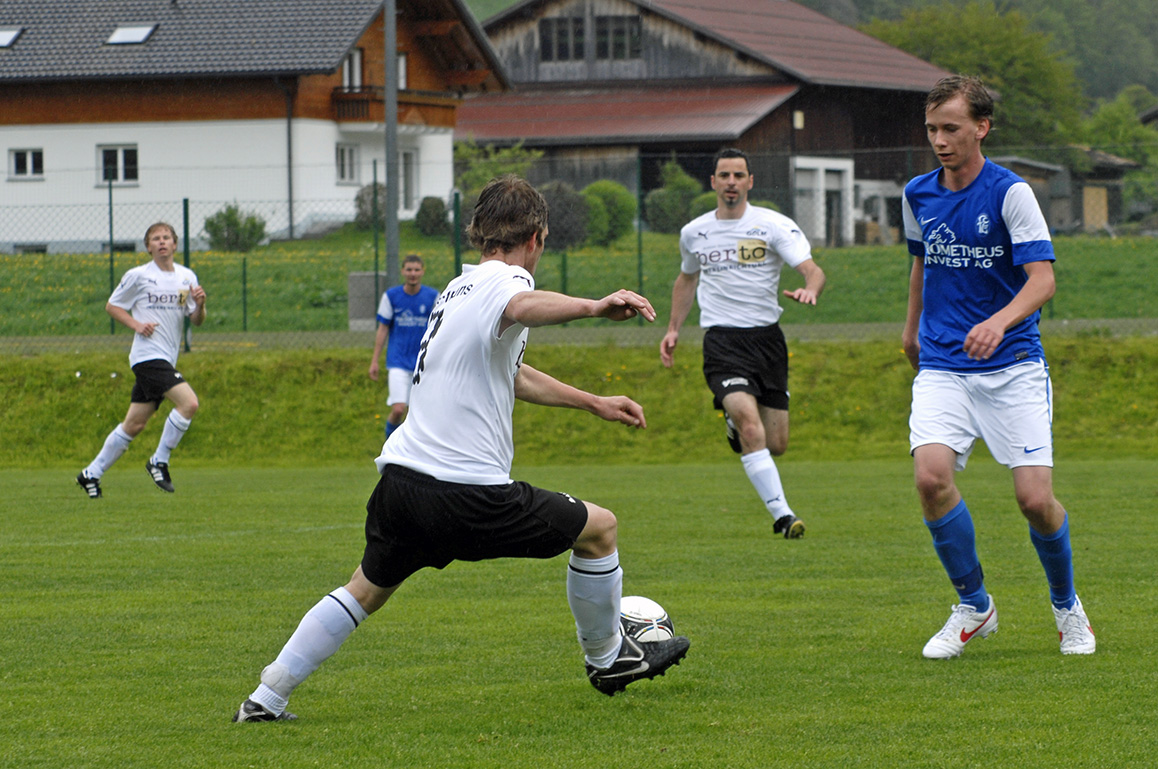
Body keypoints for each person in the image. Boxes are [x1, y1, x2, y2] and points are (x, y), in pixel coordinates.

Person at [232, 174, 690, 722]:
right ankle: (609, 658)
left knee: (364, 590)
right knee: (600, 529)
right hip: (464, 492)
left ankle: (266, 698)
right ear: (536, 238)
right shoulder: (506, 281)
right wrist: (594, 306)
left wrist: (593, 402)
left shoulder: (457, 289)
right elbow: (523, 304)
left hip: (401, 483)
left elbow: (511, 373)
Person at [901, 75, 1095, 658]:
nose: (940, 140)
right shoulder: (917, 193)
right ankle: (974, 606)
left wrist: (998, 322)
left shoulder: (1012, 194)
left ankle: (1067, 607)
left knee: (1035, 500)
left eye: (951, 128)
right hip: (943, 360)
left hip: (1012, 362)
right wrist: (910, 330)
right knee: (931, 478)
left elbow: (1043, 280)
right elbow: (921, 265)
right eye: (932, 129)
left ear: (981, 128)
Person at [660, 148, 825, 539]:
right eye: (724, 175)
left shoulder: (773, 225)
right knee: (752, 429)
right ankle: (784, 516)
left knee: (776, 443)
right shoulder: (694, 232)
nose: (731, 182)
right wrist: (673, 329)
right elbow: (687, 279)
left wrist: (810, 289)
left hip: (767, 342)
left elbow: (812, 270)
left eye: (738, 175)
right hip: (722, 343)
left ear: (750, 182)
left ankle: (735, 424)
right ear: (713, 182)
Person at [76, 222, 207, 498]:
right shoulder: (139, 276)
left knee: (134, 424)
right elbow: (112, 306)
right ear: (148, 247)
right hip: (147, 357)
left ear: (175, 244)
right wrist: (137, 325)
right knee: (189, 403)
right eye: (155, 239)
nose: (162, 242)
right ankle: (159, 460)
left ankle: (90, 474)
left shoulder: (186, 278)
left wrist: (201, 305)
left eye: (166, 237)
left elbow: (195, 319)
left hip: (166, 359)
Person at [368, 254, 439, 438]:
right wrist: (374, 361)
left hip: (422, 364)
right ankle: (389, 446)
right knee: (398, 409)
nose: (412, 273)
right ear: (402, 271)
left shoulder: (433, 297)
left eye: (416, 270)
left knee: (415, 413)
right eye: (409, 270)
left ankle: (409, 450)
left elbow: (439, 329)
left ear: (422, 271)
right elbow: (383, 329)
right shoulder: (391, 296)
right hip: (398, 361)